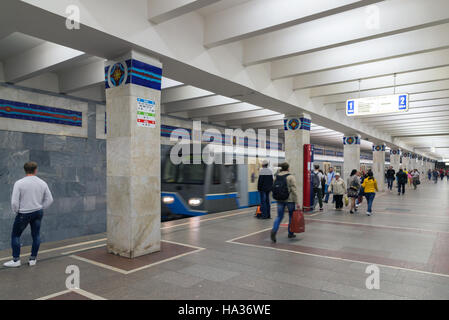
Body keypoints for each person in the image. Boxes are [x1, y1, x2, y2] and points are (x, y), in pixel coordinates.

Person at [3, 162, 53, 268]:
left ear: (25, 170)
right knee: (36, 235)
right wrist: (41, 207)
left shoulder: (19, 183)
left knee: (15, 235)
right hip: (38, 212)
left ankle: (16, 260)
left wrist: (16, 211)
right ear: (36, 170)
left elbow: (14, 202)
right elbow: (50, 200)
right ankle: (33, 259)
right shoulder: (42, 183)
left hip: (24, 213)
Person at [271, 162, 299, 243]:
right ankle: (290, 233)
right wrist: (297, 202)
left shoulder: (277, 176)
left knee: (279, 216)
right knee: (291, 216)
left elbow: (274, 187)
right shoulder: (290, 177)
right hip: (289, 200)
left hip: (279, 199)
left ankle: (274, 230)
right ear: (288, 168)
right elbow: (294, 190)